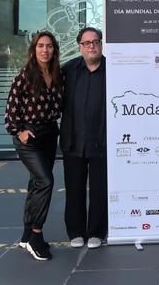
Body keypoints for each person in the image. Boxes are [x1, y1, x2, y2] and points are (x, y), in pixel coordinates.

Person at [5, 31, 62, 261]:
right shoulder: (25, 76)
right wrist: (20, 132)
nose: (45, 50)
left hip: (49, 135)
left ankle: (26, 235)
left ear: (54, 50)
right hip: (29, 137)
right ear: (33, 49)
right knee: (46, 181)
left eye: (49, 46)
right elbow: (10, 112)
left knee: (36, 184)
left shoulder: (58, 75)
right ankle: (36, 236)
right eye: (41, 46)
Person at [60, 27, 107, 249]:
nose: (91, 46)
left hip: (102, 141)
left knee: (100, 189)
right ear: (80, 46)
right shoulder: (68, 70)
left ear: (101, 44)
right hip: (73, 141)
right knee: (74, 189)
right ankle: (76, 232)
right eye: (86, 42)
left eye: (95, 41)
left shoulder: (113, 69)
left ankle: (97, 232)